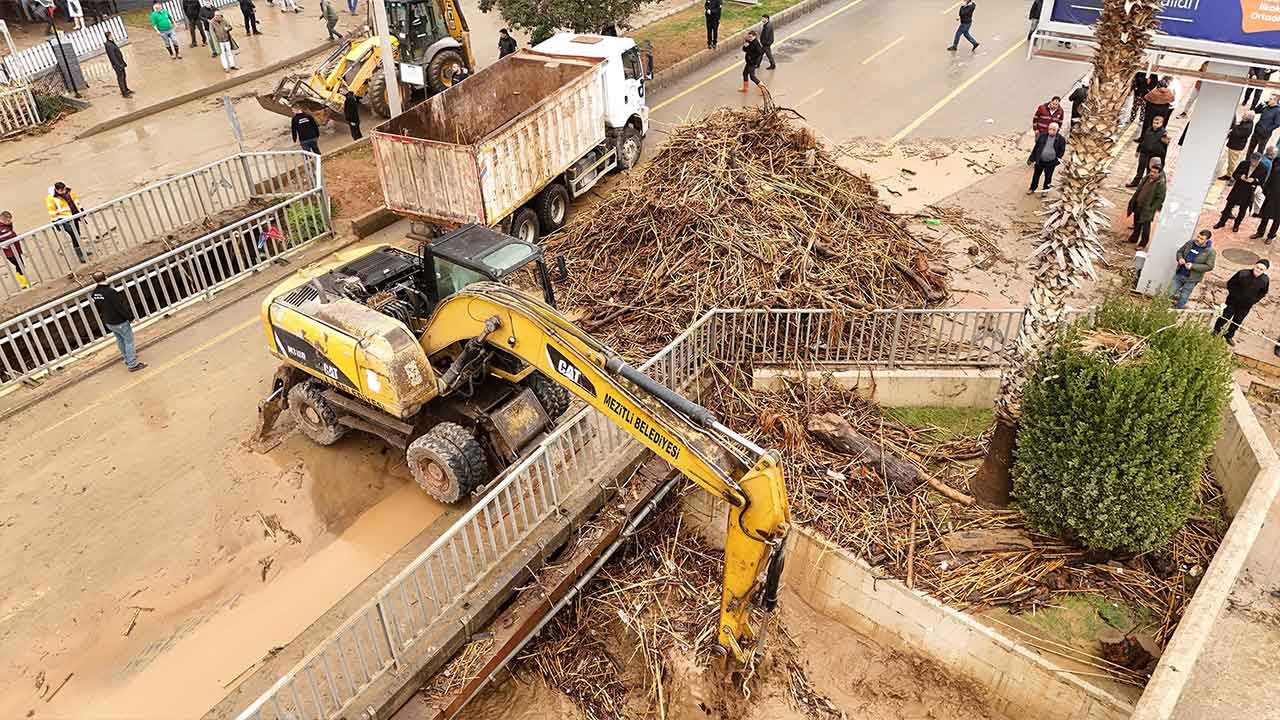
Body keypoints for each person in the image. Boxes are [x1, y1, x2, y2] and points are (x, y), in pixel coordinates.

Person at [90, 272, 146, 372]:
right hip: (119, 321)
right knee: (129, 341)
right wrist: (130, 318)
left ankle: (127, 358)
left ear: (95, 281)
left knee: (120, 340)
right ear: (106, 277)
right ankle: (133, 364)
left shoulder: (95, 293)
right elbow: (120, 307)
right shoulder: (110, 292)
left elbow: (99, 308)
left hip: (109, 322)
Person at [1215, 260, 1270, 345]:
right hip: (1232, 302)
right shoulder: (1243, 273)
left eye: (1261, 269)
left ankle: (1229, 335)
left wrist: (1253, 300)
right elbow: (1230, 284)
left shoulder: (1265, 280)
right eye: (1257, 267)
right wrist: (1235, 295)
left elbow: (1263, 292)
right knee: (1225, 316)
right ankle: (1216, 330)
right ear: (1254, 265)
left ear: (1265, 271)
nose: (1258, 270)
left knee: (1238, 321)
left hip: (1246, 306)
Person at [1215, 152, 1268, 233]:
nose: (1254, 163)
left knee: (1242, 211)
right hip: (1238, 189)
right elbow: (1234, 174)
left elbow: (1262, 181)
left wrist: (1254, 180)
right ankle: (1221, 222)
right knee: (1228, 207)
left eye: (1256, 161)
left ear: (1260, 160)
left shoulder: (1263, 168)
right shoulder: (1243, 163)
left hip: (1249, 191)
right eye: (1252, 160)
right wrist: (1241, 176)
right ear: (1250, 158)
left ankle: (1236, 225)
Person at [1126, 157, 1165, 249]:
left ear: (1159, 173)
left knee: (1145, 228)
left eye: (1155, 172)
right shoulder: (1146, 178)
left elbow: (1160, 199)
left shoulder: (1160, 184)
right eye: (1151, 171)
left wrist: (1151, 209)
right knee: (1137, 224)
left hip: (1147, 209)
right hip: (1138, 205)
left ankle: (1142, 244)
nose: (1152, 173)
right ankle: (1133, 239)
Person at [1172, 230, 1215, 309]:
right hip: (1180, 274)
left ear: (1207, 240)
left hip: (1192, 279)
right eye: (1198, 236)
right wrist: (1180, 258)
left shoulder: (1210, 251)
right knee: (1169, 292)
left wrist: (1193, 266)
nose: (1198, 239)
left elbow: (1210, 266)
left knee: (1183, 297)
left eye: (1201, 239)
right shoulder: (1190, 243)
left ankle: (1177, 310)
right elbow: (1180, 252)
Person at [46, 182, 87, 263]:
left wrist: (81, 210)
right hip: (64, 220)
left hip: (74, 216)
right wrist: (55, 222)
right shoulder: (51, 198)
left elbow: (76, 201)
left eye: (64, 189)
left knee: (78, 234)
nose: (63, 191)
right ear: (56, 190)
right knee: (74, 235)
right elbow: (52, 212)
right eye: (61, 190)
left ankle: (81, 252)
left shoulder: (69, 192)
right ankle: (80, 255)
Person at [1127, 114, 1169, 188]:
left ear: (1161, 123)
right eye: (1154, 123)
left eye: (1157, 123)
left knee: (1149, 171)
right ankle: (1135, 182)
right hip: (1144, 153)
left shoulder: (1163, 134)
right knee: (1140, 169)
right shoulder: (1148, 130)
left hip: (1153, 155)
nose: (1155, 125)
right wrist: (1138, 150)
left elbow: (1165, 148)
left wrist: (1162, 160)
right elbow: (1143, 140)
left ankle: (1146, 185)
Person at [1027, 121, 1066, 194]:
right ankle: (1032, 188)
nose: (1051, 131)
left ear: (1057, 130)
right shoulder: (1042, 136)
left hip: (1051, 162)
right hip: (1040, 160)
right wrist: (1031, 159)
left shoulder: (1061, 139)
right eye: (1050, 129)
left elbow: (1062, 150)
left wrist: (1057, 158)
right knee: (1036, 175)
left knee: (1048, 177)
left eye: (1053, 129)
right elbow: (1036, 148)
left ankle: (1045, 190)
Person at [1222, 111, 1255, 180]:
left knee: (1232, 162)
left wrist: (1233, 127)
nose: (1242, 115)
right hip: (1236, 145)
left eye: (1244, 114)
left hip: (1236, 146)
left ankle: (1229, 176)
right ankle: (1230, 174)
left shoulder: (1246, 127)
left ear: (1247, 118)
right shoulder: (1248, 122)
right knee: (1232, 161)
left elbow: (1236, 133)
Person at [1254, 160, 1280, 243]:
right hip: (1271, 196)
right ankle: (1260, 232)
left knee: (1277, 219)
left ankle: (1271, 236)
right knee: (1265, 216)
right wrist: (1266, 191)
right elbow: (1269, 180)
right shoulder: (1277, 166)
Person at [1249, 94, 1280, 159]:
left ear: (1275, 101)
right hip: (1256, 131)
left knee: (1260, 151)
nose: (1269, 100)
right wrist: (1262, 103)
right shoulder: (1266, 106)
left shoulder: (1278, 111)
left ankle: (1256, 164)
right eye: (1269, 98)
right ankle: (1247, 161)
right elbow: (1256, 111)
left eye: (1271, 99)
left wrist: (1266, 129)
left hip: (1264, 135)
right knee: (1250, 148)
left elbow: (1277, 124)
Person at [0, 211, 25, 289]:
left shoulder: (6, 226)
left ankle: (23, 282)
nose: (10, 221)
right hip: (10, 252)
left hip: (14, 250)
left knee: (20, 265)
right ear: (3, 219)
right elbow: (9, 236)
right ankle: (23, 283)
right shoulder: (2, 228)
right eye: (8, 220)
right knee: (20, 265)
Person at [104, 30, 132, 98]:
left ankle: (126, 89)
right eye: (111, 35)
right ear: (109, 36)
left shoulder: (111, 43)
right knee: (121, 78)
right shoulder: (108, 45)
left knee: (124, 76)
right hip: (117, 65)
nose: (112, 36)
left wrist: (123, 63)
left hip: (120, 63)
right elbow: (112, 57)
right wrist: (118, 65)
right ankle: (124, 93)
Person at [739, 30, 765, 95]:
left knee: (752, 76)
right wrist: (745, 46)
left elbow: (760, 53)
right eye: (748, 37)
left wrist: (752, 58)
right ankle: (745, 88)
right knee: (745, 73)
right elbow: (744, 50)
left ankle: (763, 89)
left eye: (750, 37)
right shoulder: (749, 42)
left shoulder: (756, 44)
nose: (749, 38)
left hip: (752, 62)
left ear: (754, 36)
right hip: (749, 61)